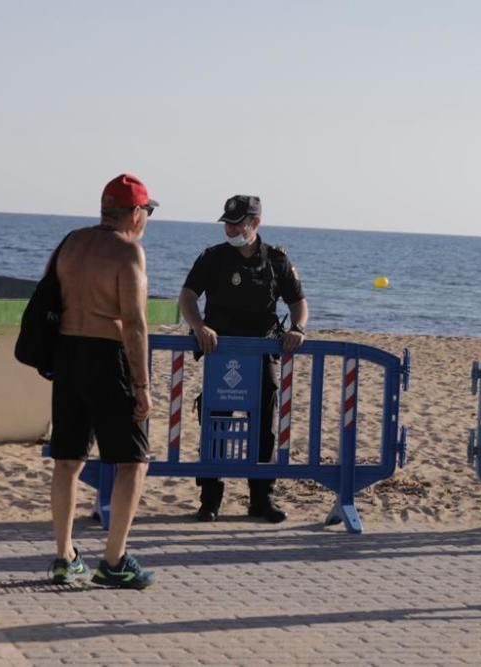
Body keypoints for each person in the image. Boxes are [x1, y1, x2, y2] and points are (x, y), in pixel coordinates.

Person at [47, 173, 157, 589]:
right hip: (107, 357)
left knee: (68, 459)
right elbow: (134, 323)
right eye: (145, 211)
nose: (145, 218)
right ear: (133, 212)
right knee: (132, 462)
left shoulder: (72, 241)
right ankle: (113, 561)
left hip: (68, 353)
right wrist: (142, 385)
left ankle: (63, 555)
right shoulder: (129, 252)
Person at [179, 194, 308, 523]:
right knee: (215, 424)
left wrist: (299, 328)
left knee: (264, 428)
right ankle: (210, 499)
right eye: (228, 223)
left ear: (255, 223)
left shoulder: (276, 259)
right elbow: (188, 296)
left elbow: (298, 302)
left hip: (262, 351)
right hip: (220, 353)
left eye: (237, 223)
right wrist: (199, 326)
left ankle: (261, 499)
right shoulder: (213, 258)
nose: (231, 229)